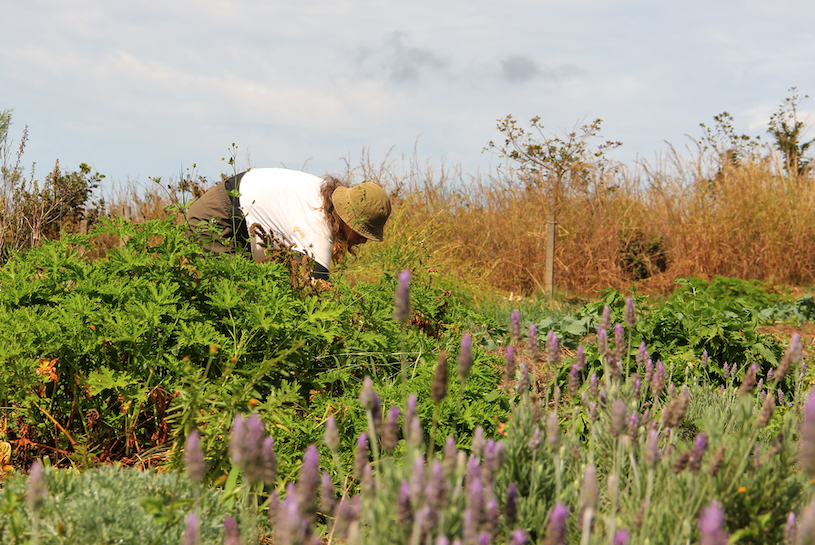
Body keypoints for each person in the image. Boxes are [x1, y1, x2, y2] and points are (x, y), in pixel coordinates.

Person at [186, 168, 391, 279]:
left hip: (236, 217)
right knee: (227, 303)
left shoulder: (322, 195)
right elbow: (316, 294)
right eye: (361, 232)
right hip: (218, 217)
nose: (363, 240)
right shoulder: (316, 231)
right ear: (346, 218)